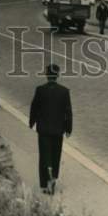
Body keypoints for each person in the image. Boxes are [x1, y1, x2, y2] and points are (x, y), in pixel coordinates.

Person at [28, 63, 72, 194]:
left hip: (44, 129)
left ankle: (46, 179)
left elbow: (34, 107)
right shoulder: (64, 91)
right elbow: (68, 112)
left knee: (44, 155)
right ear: (57, 75)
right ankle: (53, 178)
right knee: (55, 155)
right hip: (58, 129)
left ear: (47, 75)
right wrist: (68, 128)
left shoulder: (40, 90)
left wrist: (32, 122)